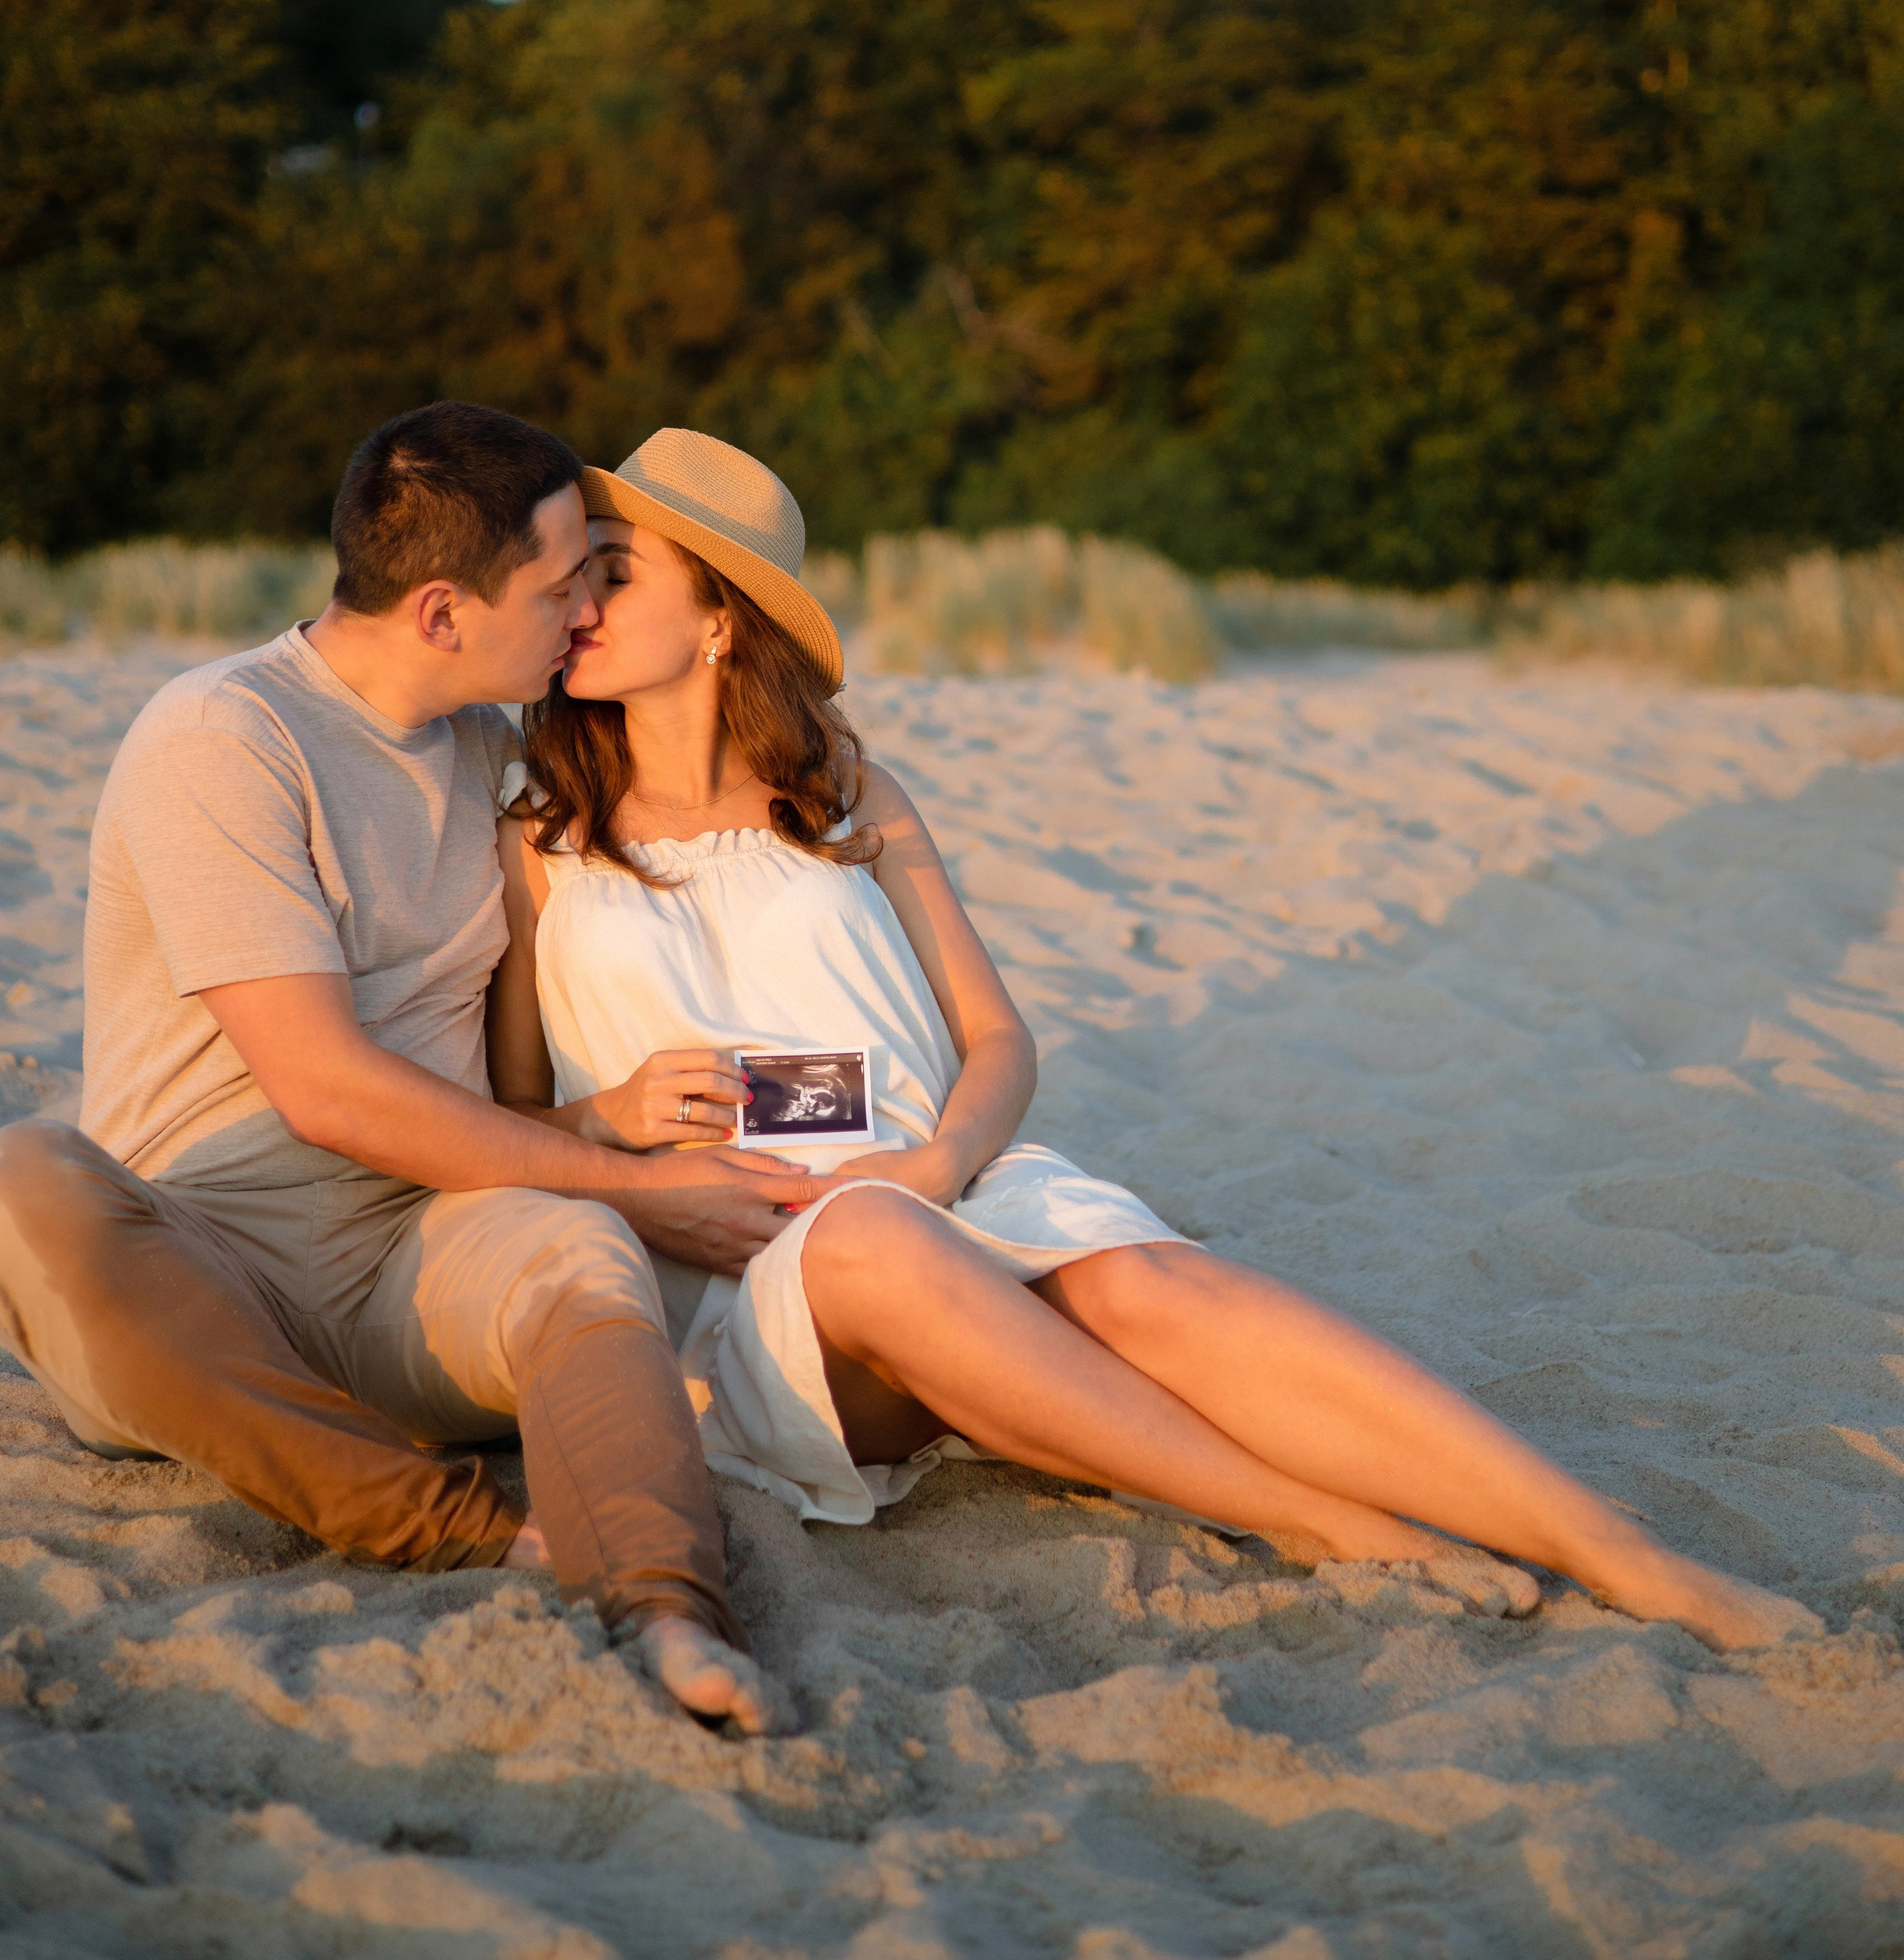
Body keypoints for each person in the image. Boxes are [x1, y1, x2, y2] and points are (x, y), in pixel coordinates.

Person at [488, 426, 1818, 1655]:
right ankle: (1319, 1519)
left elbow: (994, 1033)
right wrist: (608, 1126)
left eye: (611, 572)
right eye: (575, 576)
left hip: (929, 1191)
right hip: (743, 1285)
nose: (577, 604)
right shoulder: (537, 837)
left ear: (722, 619)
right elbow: (490, 1131)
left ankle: (1619, 1549)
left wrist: (944, 1163)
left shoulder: (843, 796)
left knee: (1144, 1282)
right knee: (875, 1247)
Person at [0, 403, 816, 1733]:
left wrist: (610, 1133)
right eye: (560, 583)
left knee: (573, 1252)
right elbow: (328, 1091)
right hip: (204, 1274)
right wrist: (638, 1185)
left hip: (412, 1255)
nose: (586, 608)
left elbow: (685, 842)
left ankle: (668, 1608)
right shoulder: (224, 739)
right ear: (439, 613)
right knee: (14, 1175)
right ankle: (449, 1526)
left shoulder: (487, 750)